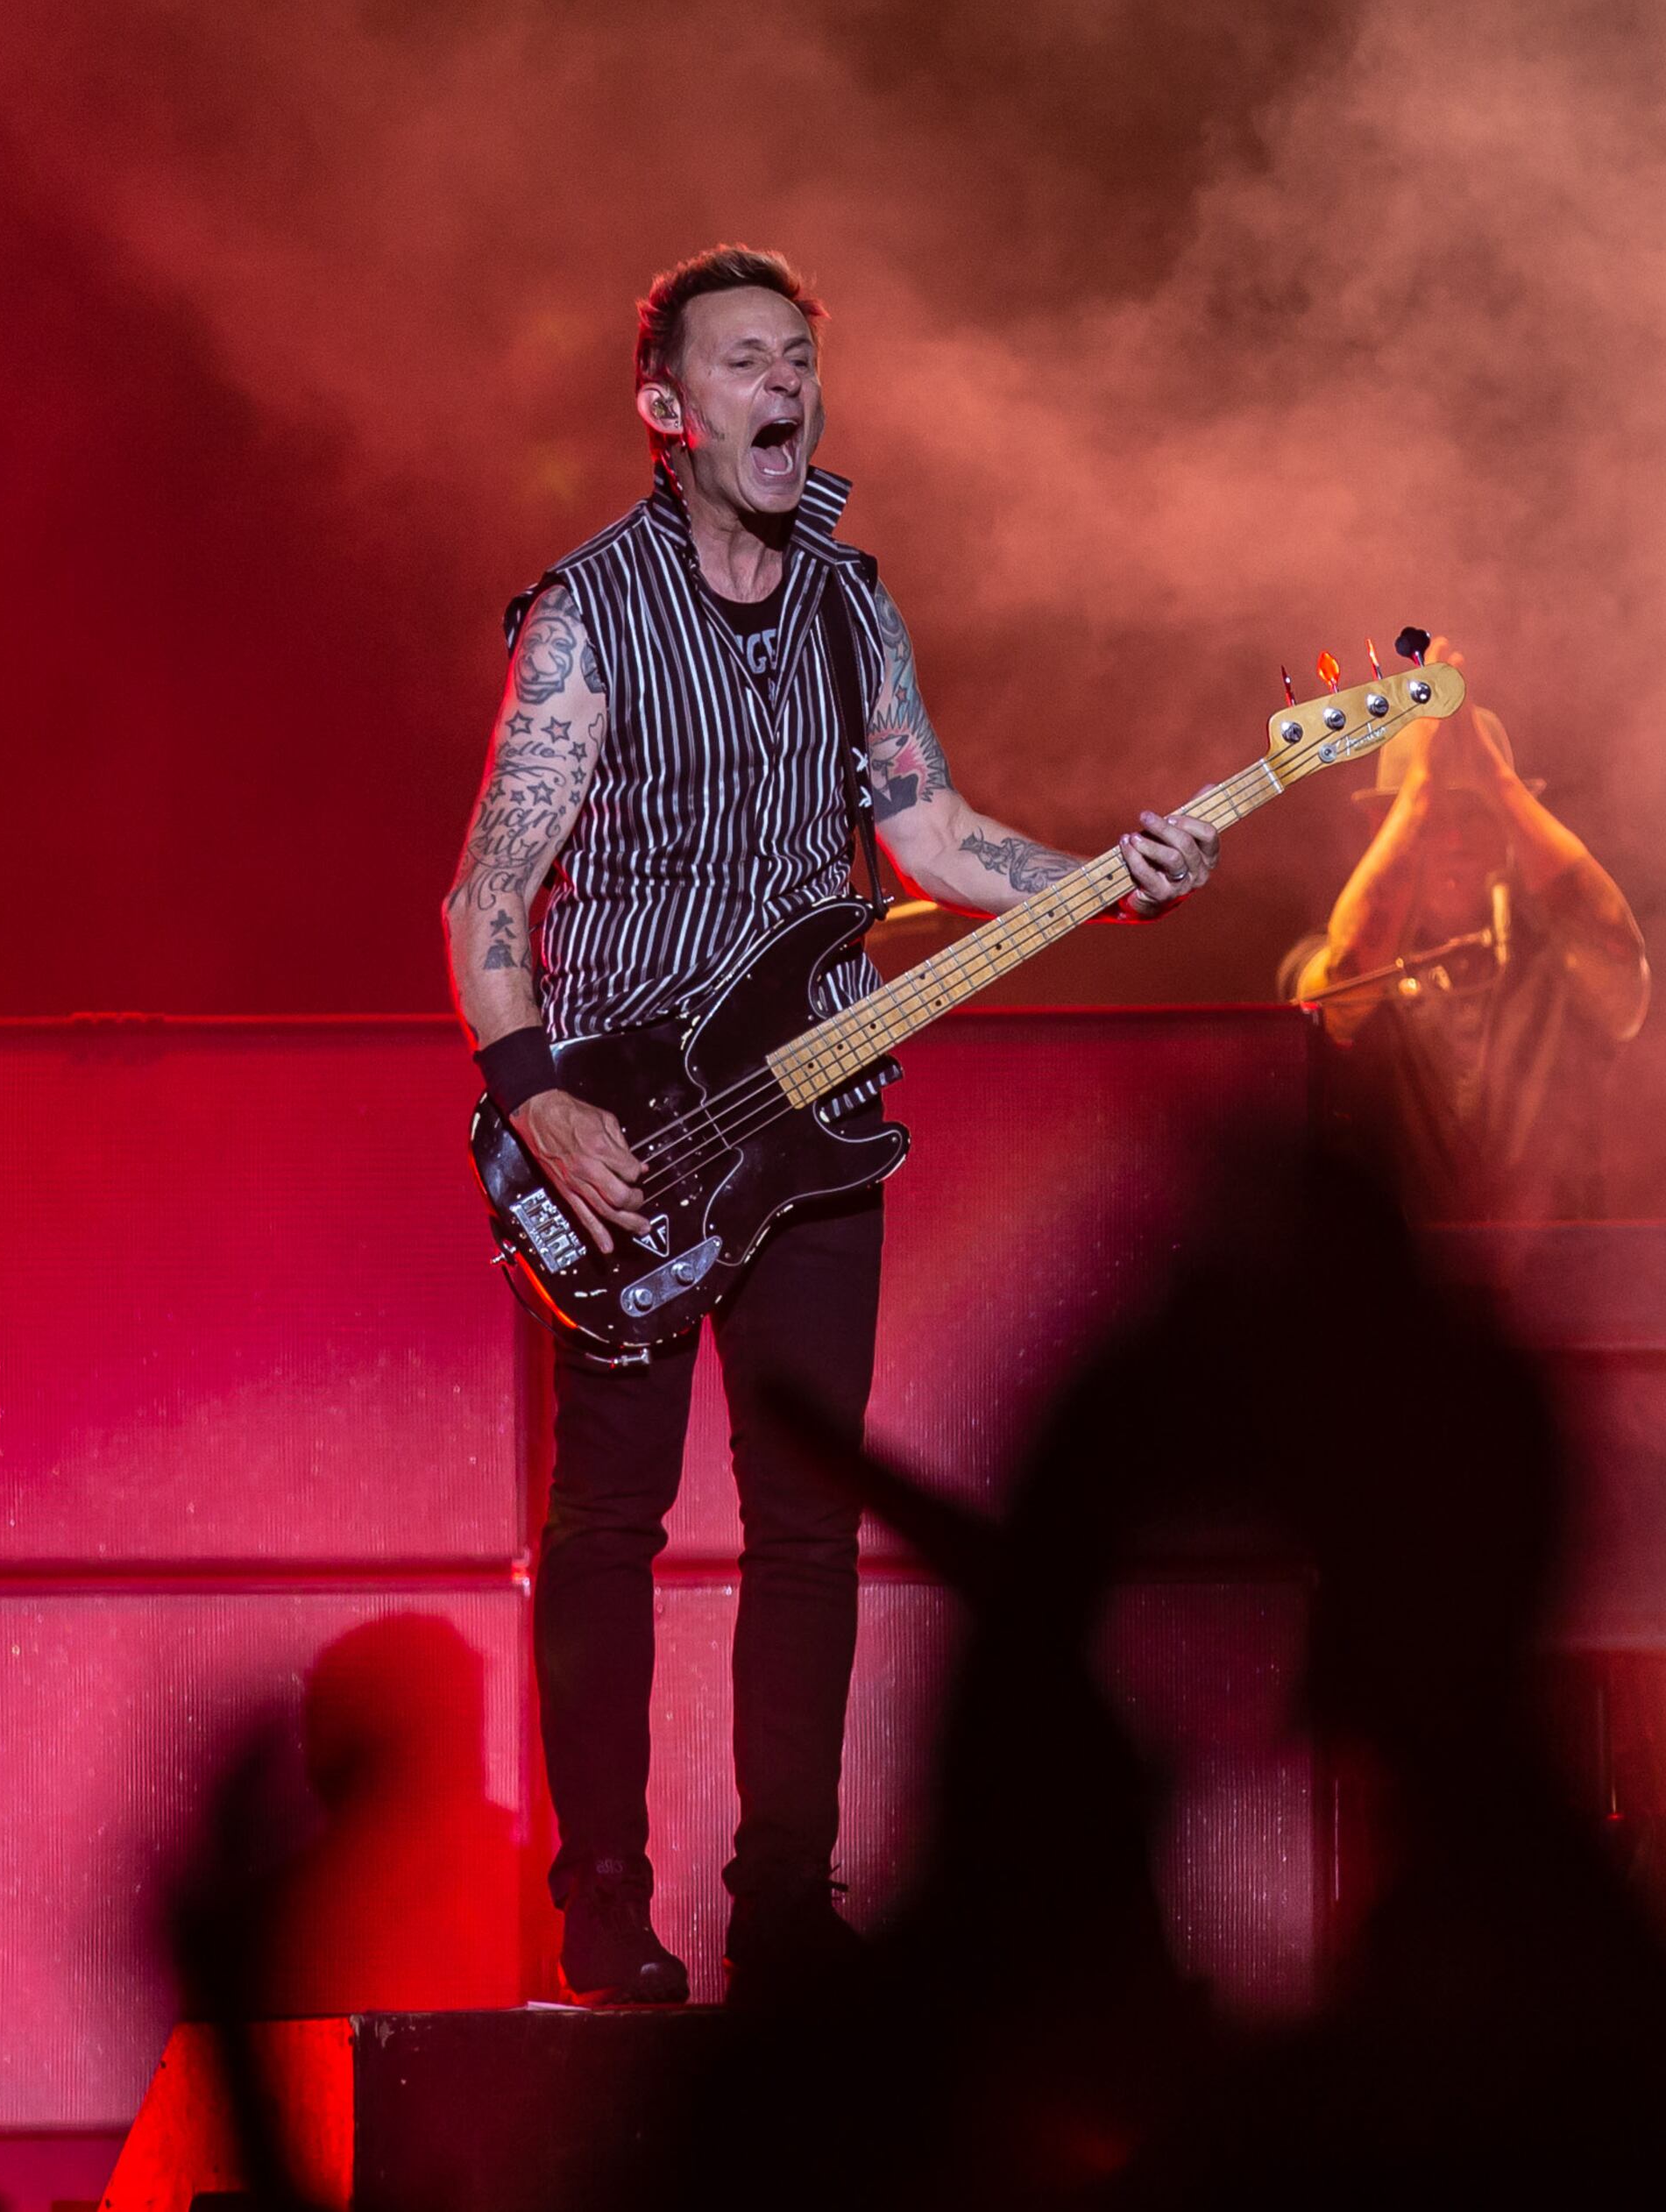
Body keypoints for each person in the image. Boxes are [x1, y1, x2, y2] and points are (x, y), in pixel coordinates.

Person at [437, 245, 1218, 2005]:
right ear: (668, 408)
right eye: (744, 361)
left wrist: (1110, 878)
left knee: (805, 1527)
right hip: (627, 1123)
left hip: (821, 1121)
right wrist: (538, 1098)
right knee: (609, 1525)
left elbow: (925, 830)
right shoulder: (584, 615)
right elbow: (487, 888)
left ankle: (788, 1900)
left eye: (800, 357)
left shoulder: (857, 605)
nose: (785, 386)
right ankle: (604, 1899)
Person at [1283, 690, 1648, 1219]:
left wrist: (1500, 782)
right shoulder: (1324, 954)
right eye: (1434, 816)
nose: (1454, 840)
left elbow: (1619, 959)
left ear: (1511, 825)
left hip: (1555, 1287)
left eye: (1477, 814)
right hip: (1387, 1292)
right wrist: (1416, 794)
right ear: (1386, 828)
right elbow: (1340, 988)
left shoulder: (1562, 962)